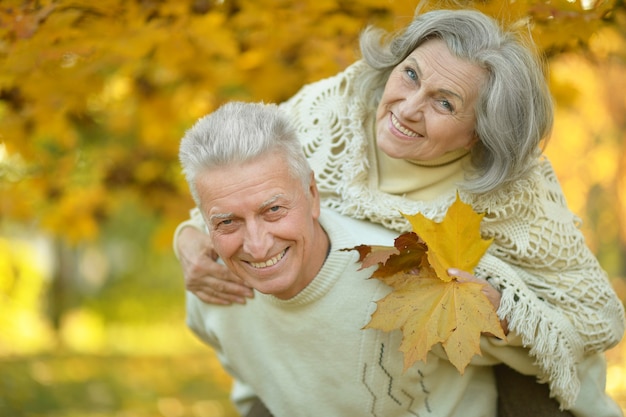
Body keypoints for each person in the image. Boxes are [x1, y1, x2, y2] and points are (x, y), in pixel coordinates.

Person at [174, 5, 625, 416]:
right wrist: (188, 240)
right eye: (410, 75)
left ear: (478, 133)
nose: (407, 109)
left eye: (444, 102)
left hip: (521, 388)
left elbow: (596, 319)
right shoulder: (332, 108)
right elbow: (240, 183)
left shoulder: (516, 190)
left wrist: (504, 310)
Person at [180, 100, 511, 417]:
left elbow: (529, 357)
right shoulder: (211, 290)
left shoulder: (404, 275)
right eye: (227, 222)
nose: (256, 245)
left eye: (274, 210)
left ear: (312, 195)